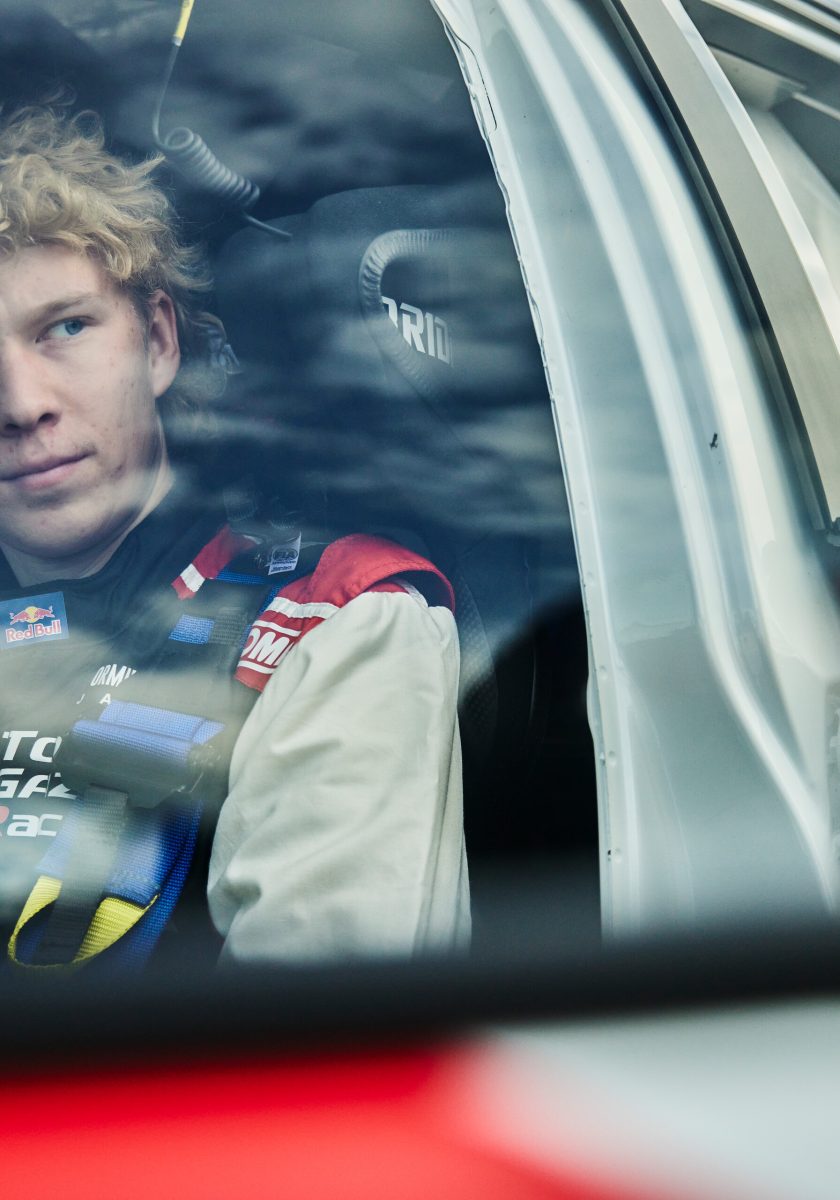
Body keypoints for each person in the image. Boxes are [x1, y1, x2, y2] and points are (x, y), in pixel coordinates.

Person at [0, 103, 469, 970]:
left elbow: (323, 1036)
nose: (23, 405)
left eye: (66, 328)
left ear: (158, 341)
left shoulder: (331, 618)